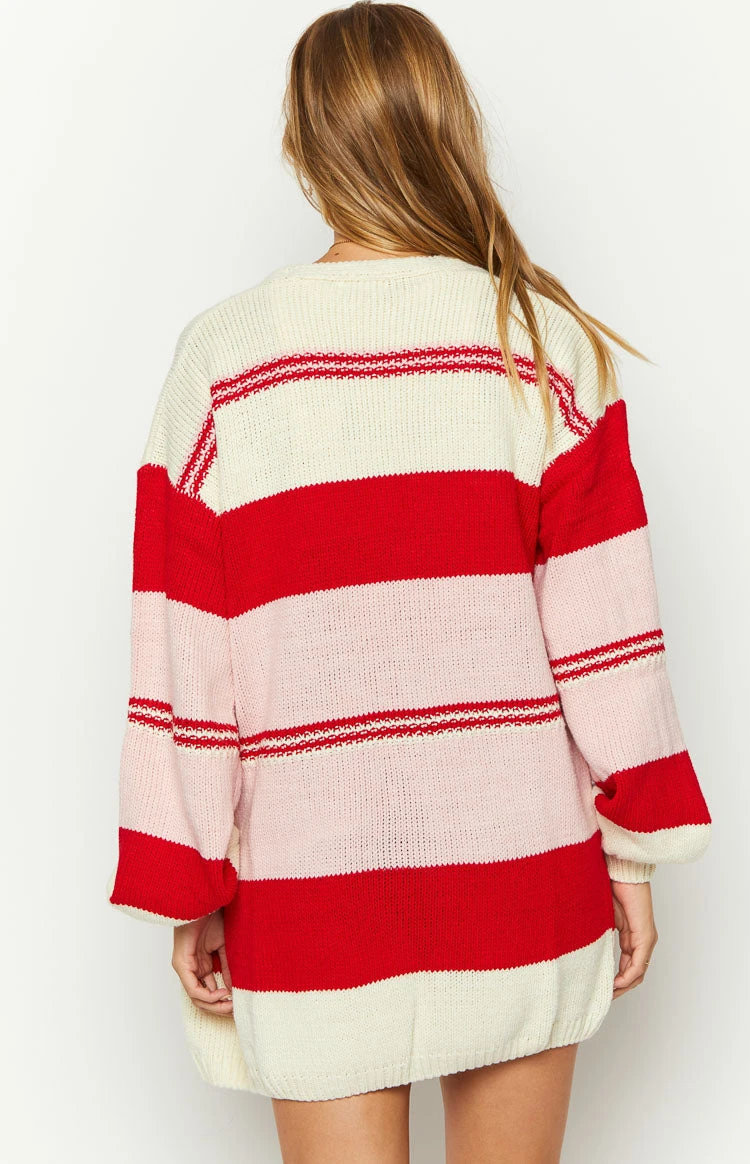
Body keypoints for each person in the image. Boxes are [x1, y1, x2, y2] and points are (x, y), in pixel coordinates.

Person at [105, 3, 712, 1161]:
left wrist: (192, 880)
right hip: (523, 876)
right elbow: (611, 641)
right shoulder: (538, 342)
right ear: (447, 128)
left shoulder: (225, 365)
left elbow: (185, 655)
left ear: (303, 146)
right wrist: (631, 857)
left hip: (311, 888)